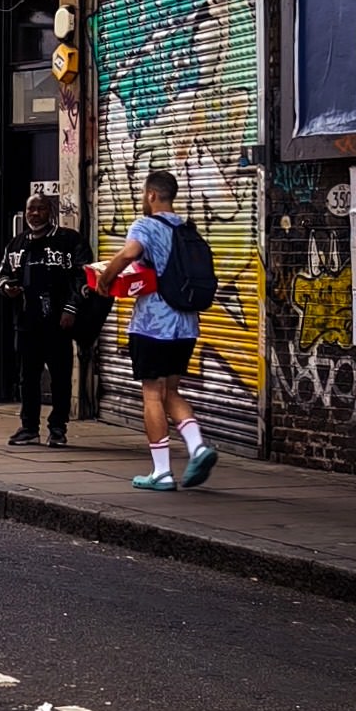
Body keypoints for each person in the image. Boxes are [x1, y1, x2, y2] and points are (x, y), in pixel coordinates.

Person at [98, 161, 217, 493]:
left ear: (151, 194)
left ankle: (162, 473)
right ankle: (197, 447)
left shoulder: (146, 225)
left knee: (152, 393)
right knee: (171, 391)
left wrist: (106, 278)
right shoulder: (187, 228)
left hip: (152, 325)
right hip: (186, 326)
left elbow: (129, 253)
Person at [3, 185, 83, 450]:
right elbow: (2, 274)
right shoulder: (17, 243)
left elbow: (83, 277)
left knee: (60, 377)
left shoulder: (68, 240)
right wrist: (7, 287)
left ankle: (58, 429)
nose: (35, 214)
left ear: (51, 211)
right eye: (31, 209)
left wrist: (71, 309)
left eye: (41, 209)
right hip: (27, 322)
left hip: (58, 323)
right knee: (27, 377)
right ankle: (29, 428)